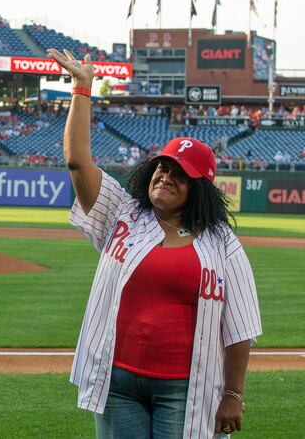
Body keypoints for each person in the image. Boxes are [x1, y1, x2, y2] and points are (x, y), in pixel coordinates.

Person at [47, 48, 262, 439]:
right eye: (162, 166)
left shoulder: (223, 245)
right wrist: (82, 89)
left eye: (180, 173)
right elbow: (78, 162)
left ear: (200, 189)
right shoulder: (123, 213)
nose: (166, 175)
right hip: (118, 382)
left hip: (186, 389)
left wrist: (233, 393)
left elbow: (241, 327)